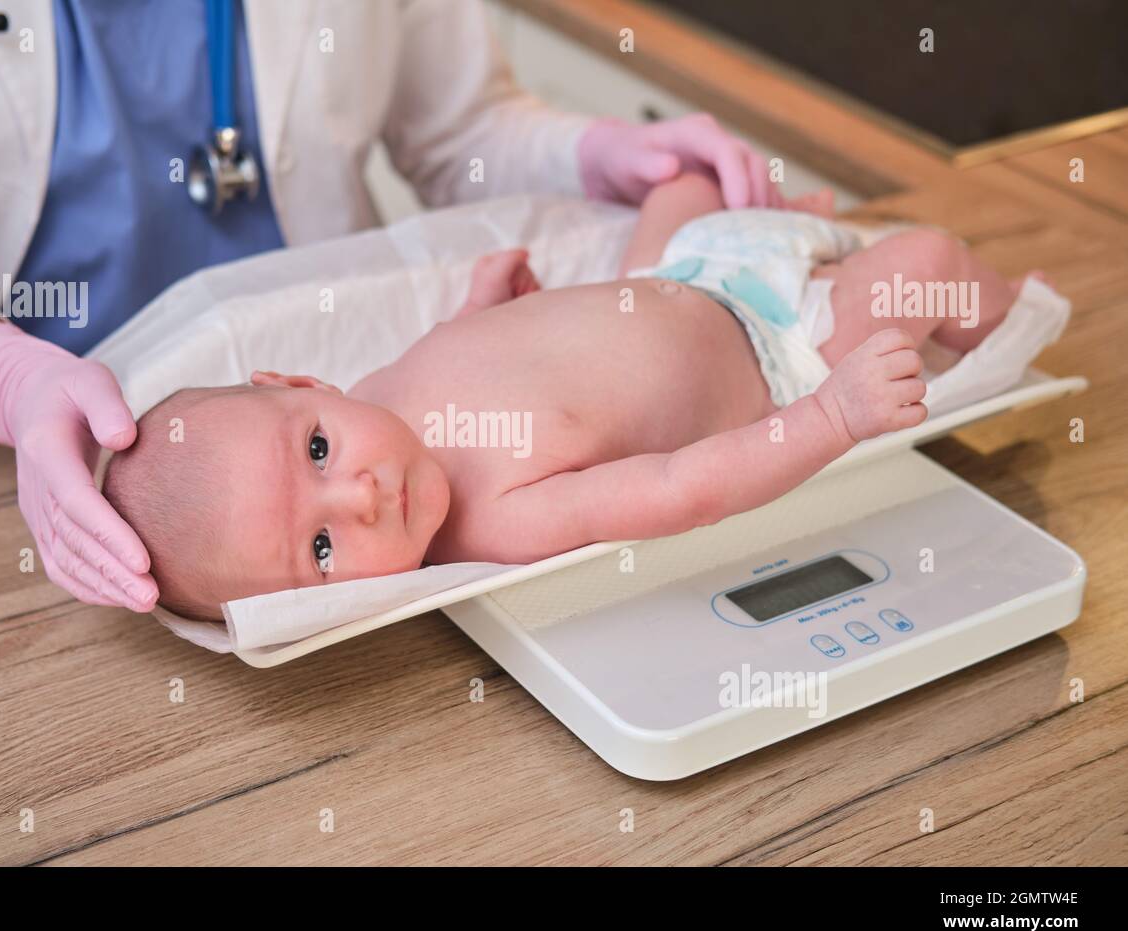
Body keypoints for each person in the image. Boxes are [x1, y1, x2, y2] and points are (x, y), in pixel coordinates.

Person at [0, 0, 784, 613]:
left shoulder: (393, 429)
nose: (360, 496)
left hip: (317, 363)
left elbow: (460, 128)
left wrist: (592, 154)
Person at [99, 172, 1045, 621]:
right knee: (925, 268)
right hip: (778, 349)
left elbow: (482, 358)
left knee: (681, 186)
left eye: (315, 453)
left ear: (301, 383)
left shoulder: (381, 391)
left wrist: (489, 313)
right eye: (321, 548)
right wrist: (832, 413)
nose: (361, 495)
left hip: (678, 272)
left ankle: (787, 223)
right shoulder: (495, 522)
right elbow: (683, 486)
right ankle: (1003, 321)